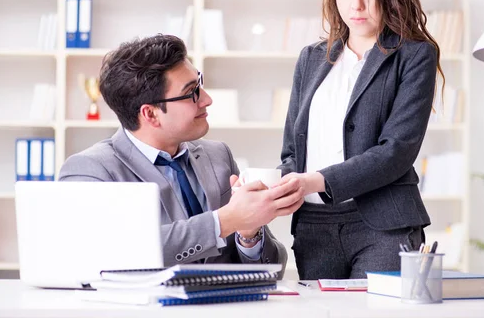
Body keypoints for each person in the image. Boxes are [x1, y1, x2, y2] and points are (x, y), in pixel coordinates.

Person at [59, 34, 304, 275]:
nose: (207, 99)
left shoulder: (218, 156)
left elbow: (273, 268)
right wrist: (224, 221)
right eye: (191, 93)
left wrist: (249, 235)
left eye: (200, 83)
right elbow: (111, 253)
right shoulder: (91, 169)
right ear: (150, 114)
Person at [277, 0, 445, 279]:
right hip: (314, 227)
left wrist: (315, 181)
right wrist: (272, 187)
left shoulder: (414, 56)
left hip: (384, 227)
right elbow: (293, 150)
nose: (357, 5)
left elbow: (396, 151)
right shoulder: (311, 58)